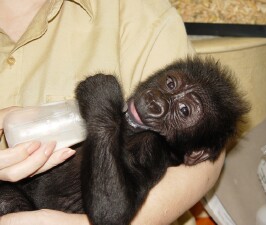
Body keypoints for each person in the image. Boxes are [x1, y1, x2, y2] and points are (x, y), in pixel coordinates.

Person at [0, 0, 225, 224]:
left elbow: (111, 213)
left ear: (195, 153)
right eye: (170, 84)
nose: (158, 101)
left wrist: (104, 121)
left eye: (184, 110)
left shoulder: (151, 150)